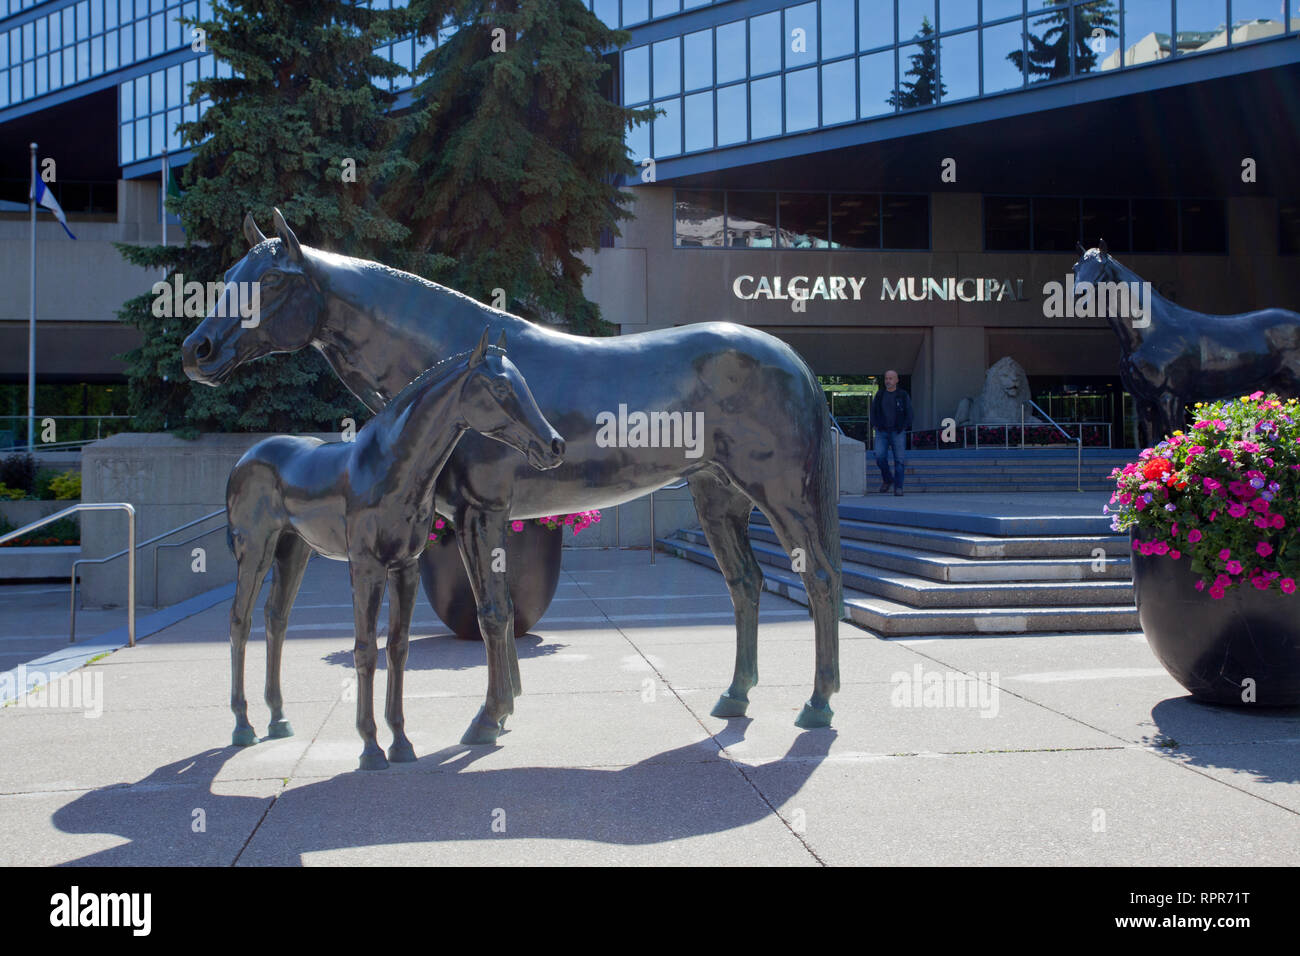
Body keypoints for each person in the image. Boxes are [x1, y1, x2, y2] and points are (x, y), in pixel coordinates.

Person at [871, 370, 912, 495]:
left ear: (896, 380)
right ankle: (888, 479)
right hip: (882, 432)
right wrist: (876, 424)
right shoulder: (880, 395)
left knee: (899, 460)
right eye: (886, 378)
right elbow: (873, 411)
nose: (888, 381)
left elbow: (909, 412)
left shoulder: (903, 395)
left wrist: (904, 426)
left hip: (897, 432)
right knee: (879, 457)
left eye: (890, 378)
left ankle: (898, 487)